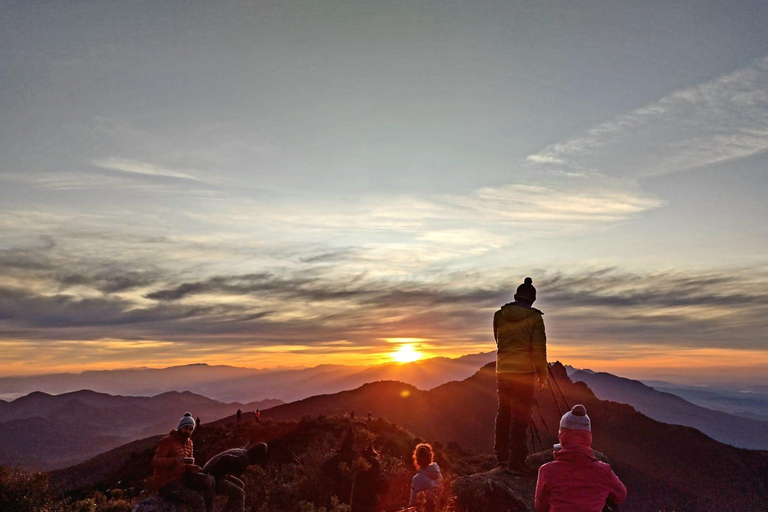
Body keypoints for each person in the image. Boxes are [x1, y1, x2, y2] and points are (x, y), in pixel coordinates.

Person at [493, 277, 548, 475]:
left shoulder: (499, 315)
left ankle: (502, 458)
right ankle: (517, 463)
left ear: (516, 296)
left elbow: (498, 340)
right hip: (524, 373)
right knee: (520, 416)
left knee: (504, 413)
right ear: (532, 300)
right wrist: (542, 375)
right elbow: (538, 349)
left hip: (503, 371)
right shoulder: (535, 318)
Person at [535, 404, 627, 512]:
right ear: (588, 437)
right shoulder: (604, 471)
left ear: (562, 436)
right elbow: (621, 495)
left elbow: (540, 507)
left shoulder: (547, 471)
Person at [152, 412, 215, 512]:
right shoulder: (167, 441)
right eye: (186, 428)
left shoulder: (189, 443)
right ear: (180, 427)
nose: (188, 431)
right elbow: (155, 462)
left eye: (191, 429)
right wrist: (174, 461)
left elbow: (187, 464)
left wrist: (193, 468)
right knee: (198, 500)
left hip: (182, 478)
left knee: (209, 482)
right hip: (166, 483)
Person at [201, 443, 269, 512]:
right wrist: (210, 473)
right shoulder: (243, 460)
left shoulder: (242, 452)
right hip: (210, 476)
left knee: (240, 484)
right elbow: (225, 458)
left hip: (214, 473)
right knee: (240, 493)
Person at [408, 443, 443, 509]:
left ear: (416, 459)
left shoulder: (417, 479)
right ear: (431, 456)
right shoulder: (438, 473)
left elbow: (413, 503)